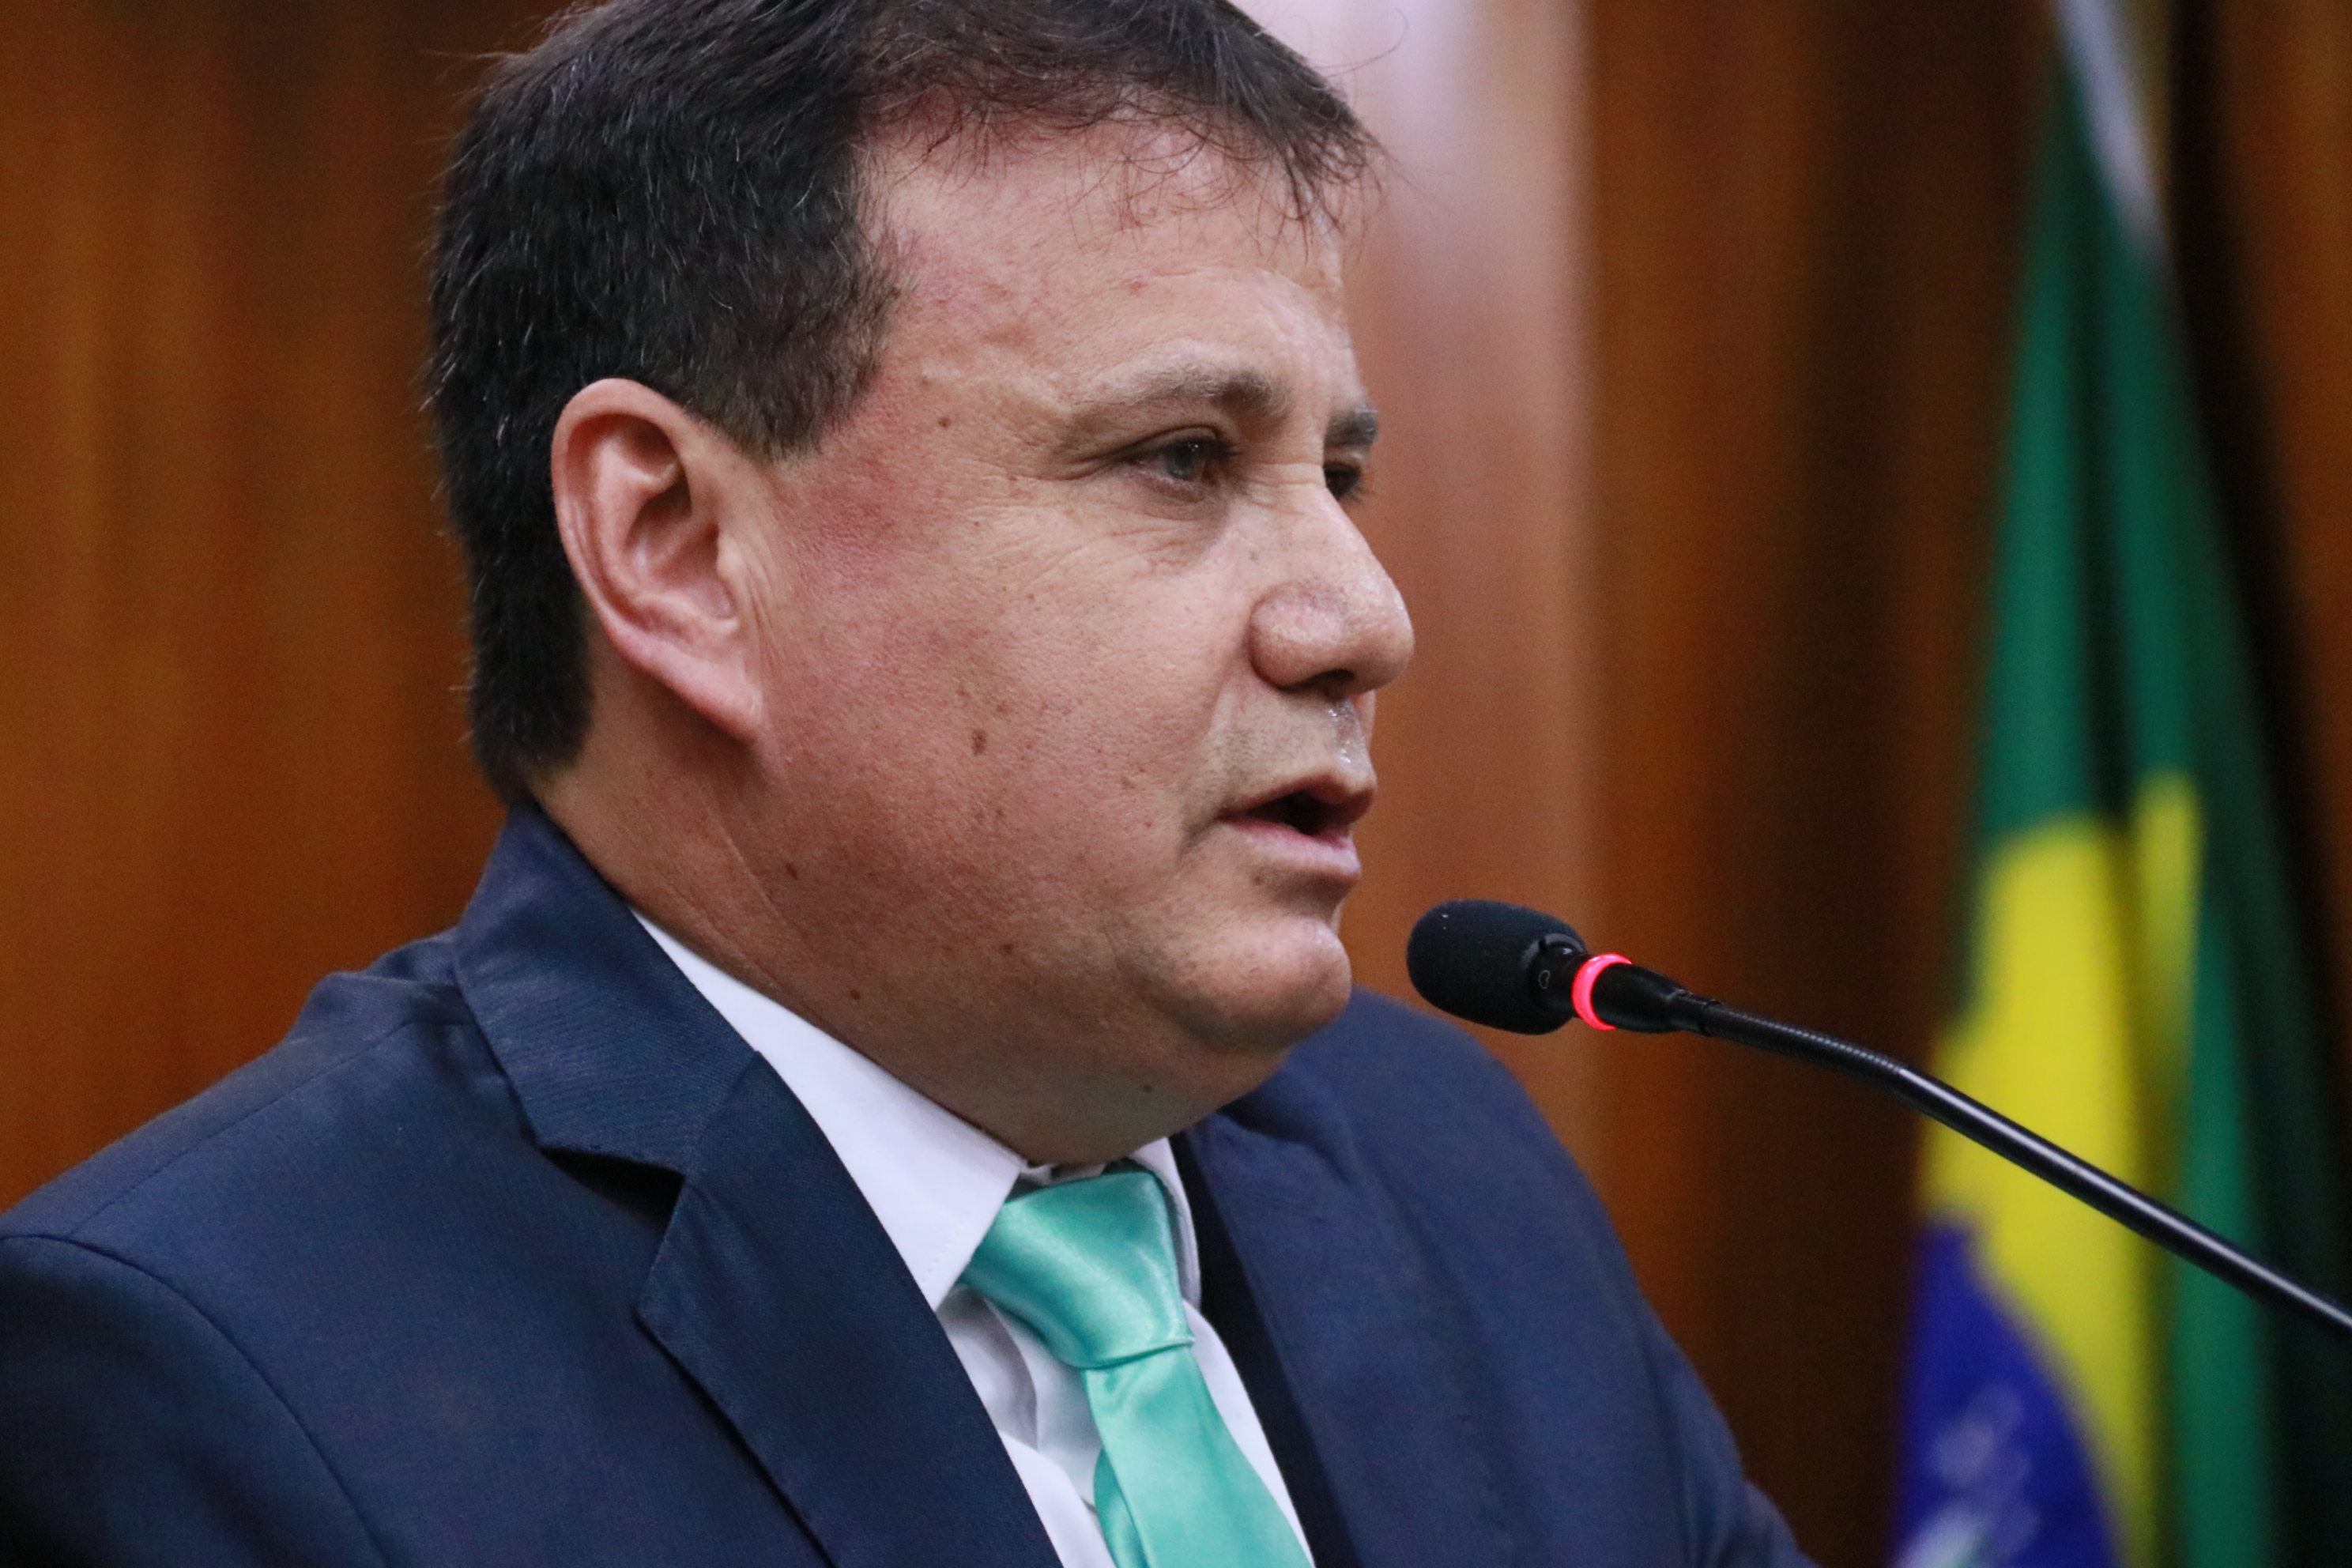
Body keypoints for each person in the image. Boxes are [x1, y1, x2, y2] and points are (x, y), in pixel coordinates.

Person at [0, 2, 1812, 1563]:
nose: (1364, 617)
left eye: (1336, 474)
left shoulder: (1450, 1165)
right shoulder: (210, 1363)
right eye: (1181, 458)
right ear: (677, 548)